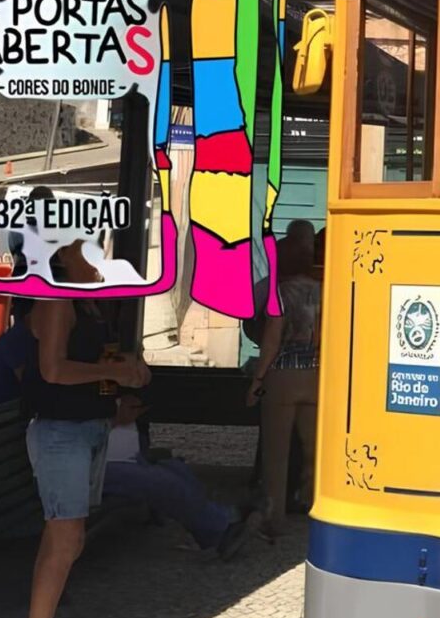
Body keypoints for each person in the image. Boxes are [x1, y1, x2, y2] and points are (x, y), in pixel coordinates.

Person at [25, 298, 149, 618]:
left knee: (67, 539)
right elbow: (52, 369)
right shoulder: (58, 301)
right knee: (66, 541)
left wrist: (128, 370)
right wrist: (113, 370)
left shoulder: (92, 303)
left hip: (89, 428)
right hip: (62, 430)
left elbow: (95, 361)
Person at [103, 395, 260, 559]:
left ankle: (221, 518)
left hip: (120, 455)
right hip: (95, 467)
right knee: (165, 482)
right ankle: (222, 530)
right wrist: (113, 417)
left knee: (177, 468)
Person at [248, 224, 323, 537]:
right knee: (313, 450)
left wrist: (257, 379)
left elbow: (271, 341)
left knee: (276, 454)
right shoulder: (323, 290)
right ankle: (315, 507)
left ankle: (273, 516)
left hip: (282, 375)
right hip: (316, 374)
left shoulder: (280, 292)